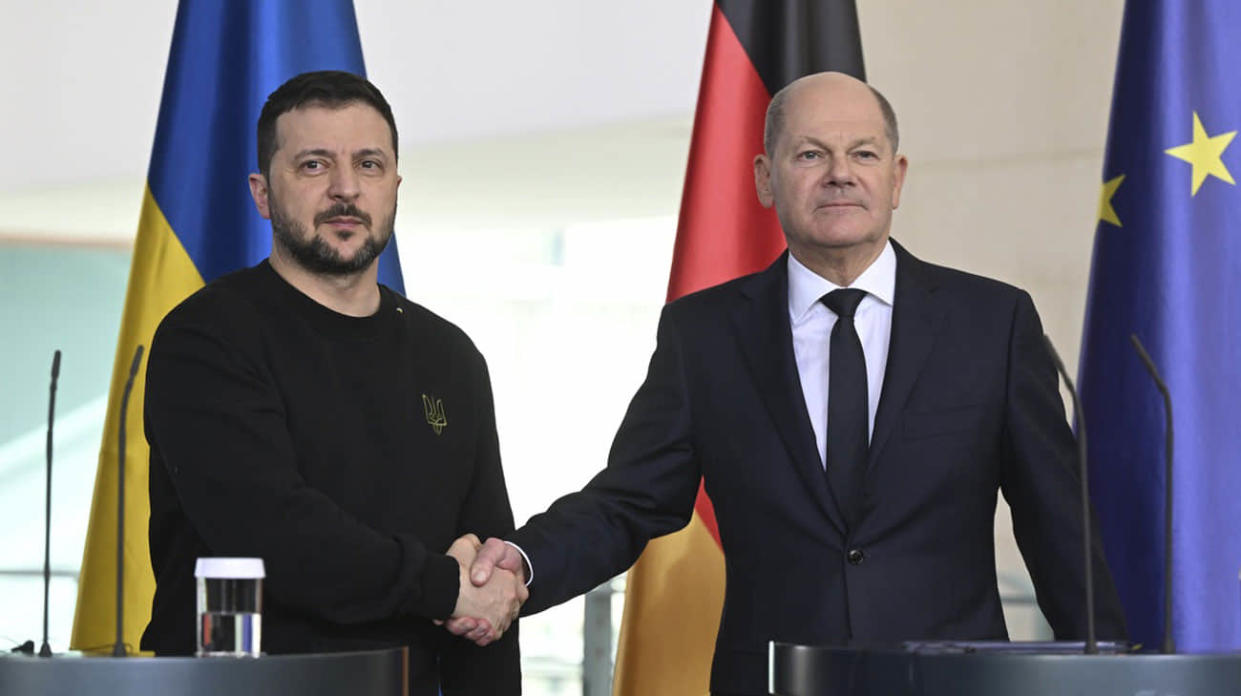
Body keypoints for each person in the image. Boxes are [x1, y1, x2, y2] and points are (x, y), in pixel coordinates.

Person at [451, 72, 1128, 695]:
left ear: (895, 178)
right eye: (810, 155)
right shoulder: (704, 335)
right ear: (764, 179)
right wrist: (523, 560)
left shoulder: (992, 322)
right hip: (773, 681)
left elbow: (1056, 523)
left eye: (862, 154)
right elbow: (630, 502)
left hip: (948, 685)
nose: (839, 175)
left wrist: (1112, 676)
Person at [140, 71, 524, 695]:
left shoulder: (451, 358)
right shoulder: (206, 339)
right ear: (262, 193)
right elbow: (273, 533)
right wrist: (440, 586)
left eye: (369, 165)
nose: (346, 189)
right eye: (314, 165)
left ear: (395, 185)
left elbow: (486, 580)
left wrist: (467, 594)